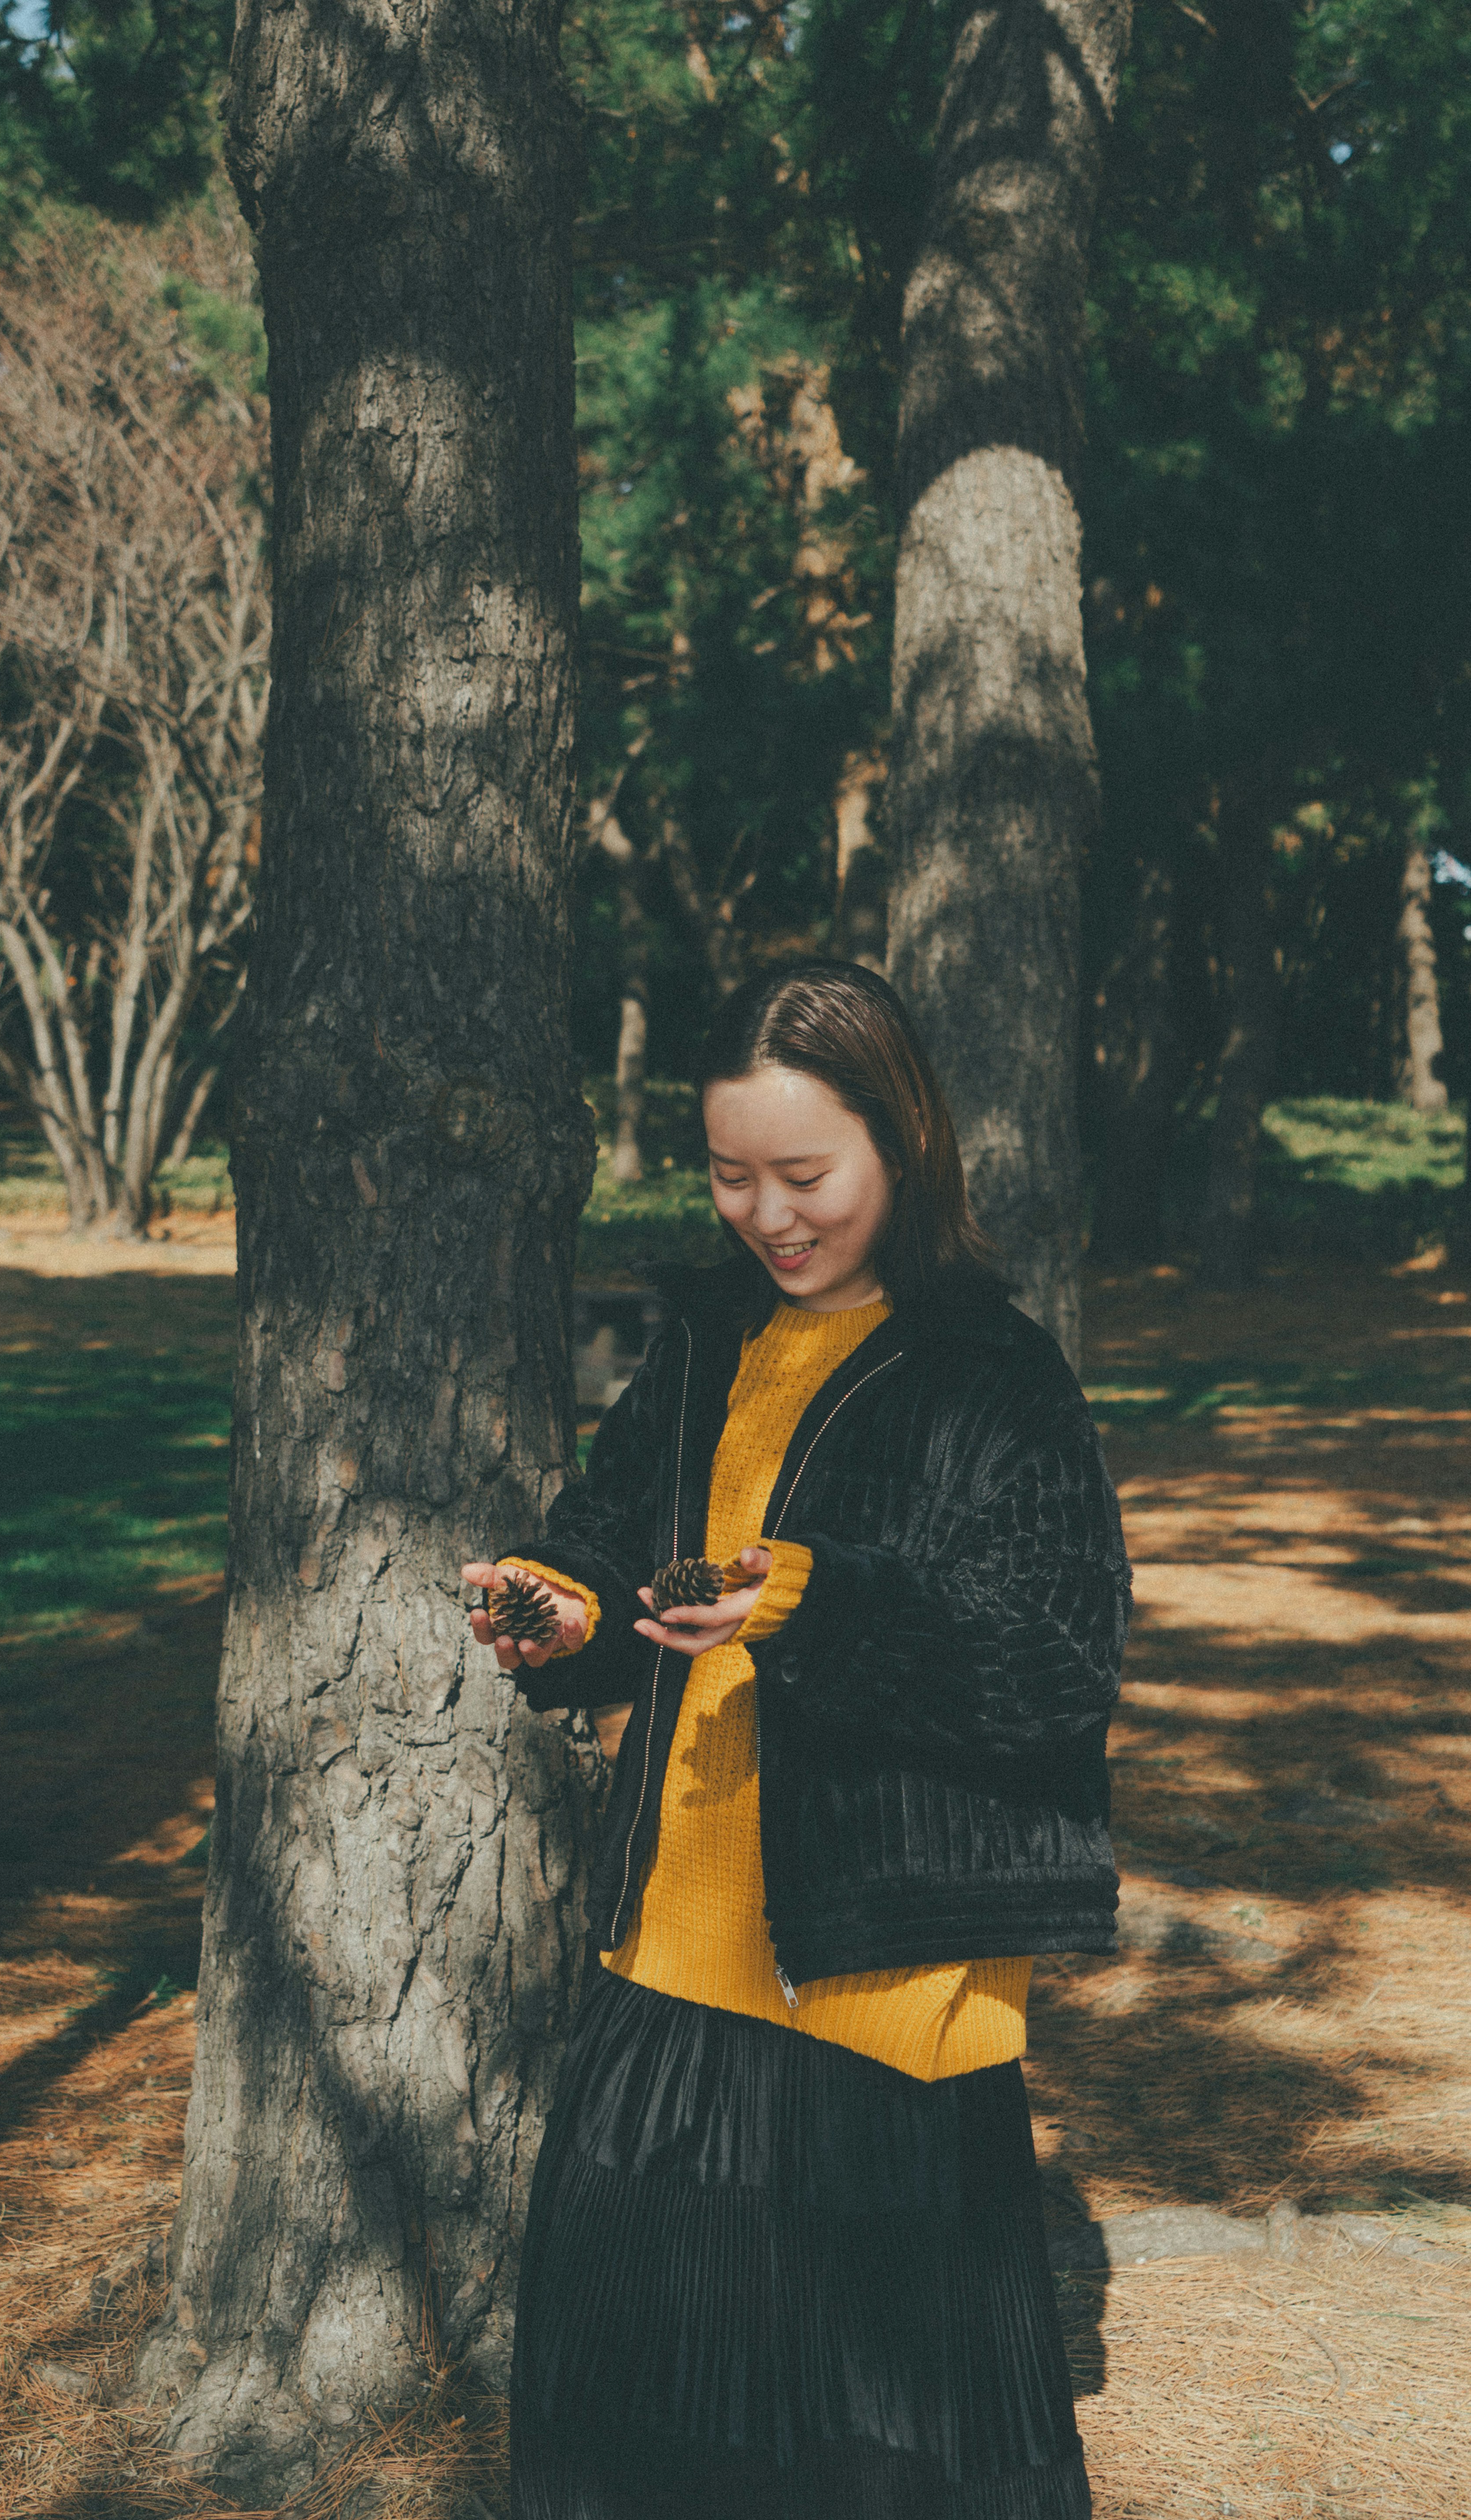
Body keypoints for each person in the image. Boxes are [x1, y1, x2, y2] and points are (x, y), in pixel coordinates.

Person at [462, 961, 1130, 2520]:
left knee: (857, 2457)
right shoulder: (707, 1337)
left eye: (806, 1175)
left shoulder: (992, 1371)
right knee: (634, 2419)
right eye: (730, 1174)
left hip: (877, 1987)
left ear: (904, 1145)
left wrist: (818, 1601)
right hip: (670, 1956)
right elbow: (615, 1543)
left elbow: (1055, 1663)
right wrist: (563, 1610)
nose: (770, 1215)